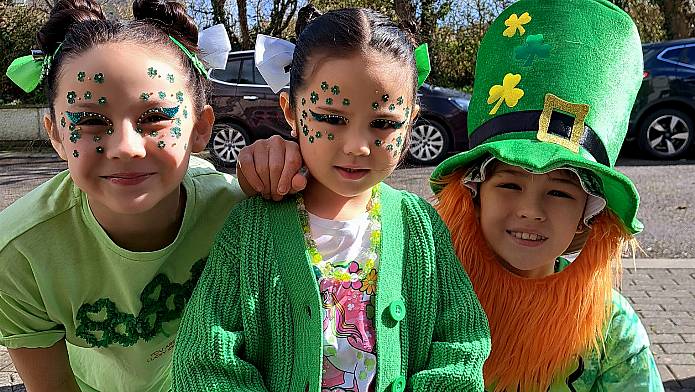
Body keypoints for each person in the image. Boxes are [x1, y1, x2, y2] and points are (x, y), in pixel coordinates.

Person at [172, 6, 491, 392]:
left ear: (411, 123)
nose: (357, 147)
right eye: (331, 118)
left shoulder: (420, 227)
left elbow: (460, 346)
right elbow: (205, 361)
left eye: (384, 124)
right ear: (290, 110)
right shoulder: (249, 231)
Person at [0, 0, 304, 390]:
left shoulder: (242, 211)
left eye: (155, 118)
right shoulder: (19, 255)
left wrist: (297, 167)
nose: (126, 147)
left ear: (200, 128)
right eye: (91, 120)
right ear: (56, 134)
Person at [429, 0, 663, 390]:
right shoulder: (430, 299)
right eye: (509, 184)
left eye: (559, 191)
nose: (530, 210)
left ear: (588, 216)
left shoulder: (610, 330)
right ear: (473, 195)